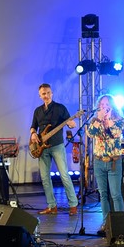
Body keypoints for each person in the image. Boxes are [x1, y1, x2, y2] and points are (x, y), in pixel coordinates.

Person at [29, 84, 78, 216]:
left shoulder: (60, 108)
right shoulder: (37, 111)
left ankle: (73, 205)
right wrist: (33, 134)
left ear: (52, 93)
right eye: (43, 94)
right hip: (42, 147)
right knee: (45, 178)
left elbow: (70, 123)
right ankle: (52, 206)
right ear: (40, 96)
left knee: (64, 175)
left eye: (48, 93)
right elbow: (33, 126)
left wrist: (72, 124)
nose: (46, 95)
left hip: (57, 145)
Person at [86, 94, 124, 215]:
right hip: (99, 161)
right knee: (103, 194)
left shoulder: (119, 119)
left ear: (112, 106)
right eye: (102, 104)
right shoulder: (95, 120)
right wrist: (99, 119)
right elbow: (90, 134)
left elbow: (116, 133)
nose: (104, 107)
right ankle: (106, 222)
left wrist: (108, 120)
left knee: (115, 194)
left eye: (107, 104)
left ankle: (119, 222)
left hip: (114, 161)